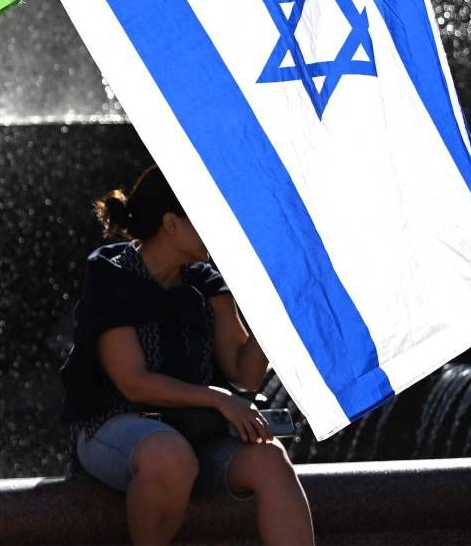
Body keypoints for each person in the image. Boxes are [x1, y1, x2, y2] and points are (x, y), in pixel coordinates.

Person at [62, 166, 314, 546]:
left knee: (271, 460)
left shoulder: (206, 283)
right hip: (113, 426)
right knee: (169, 455)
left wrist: (275, 315)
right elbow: (133, 383)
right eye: (205, 215)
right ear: (171, 224)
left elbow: (244, 375)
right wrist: (217, 399)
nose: (219, 227)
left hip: (195, 432)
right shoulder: (112, 275)